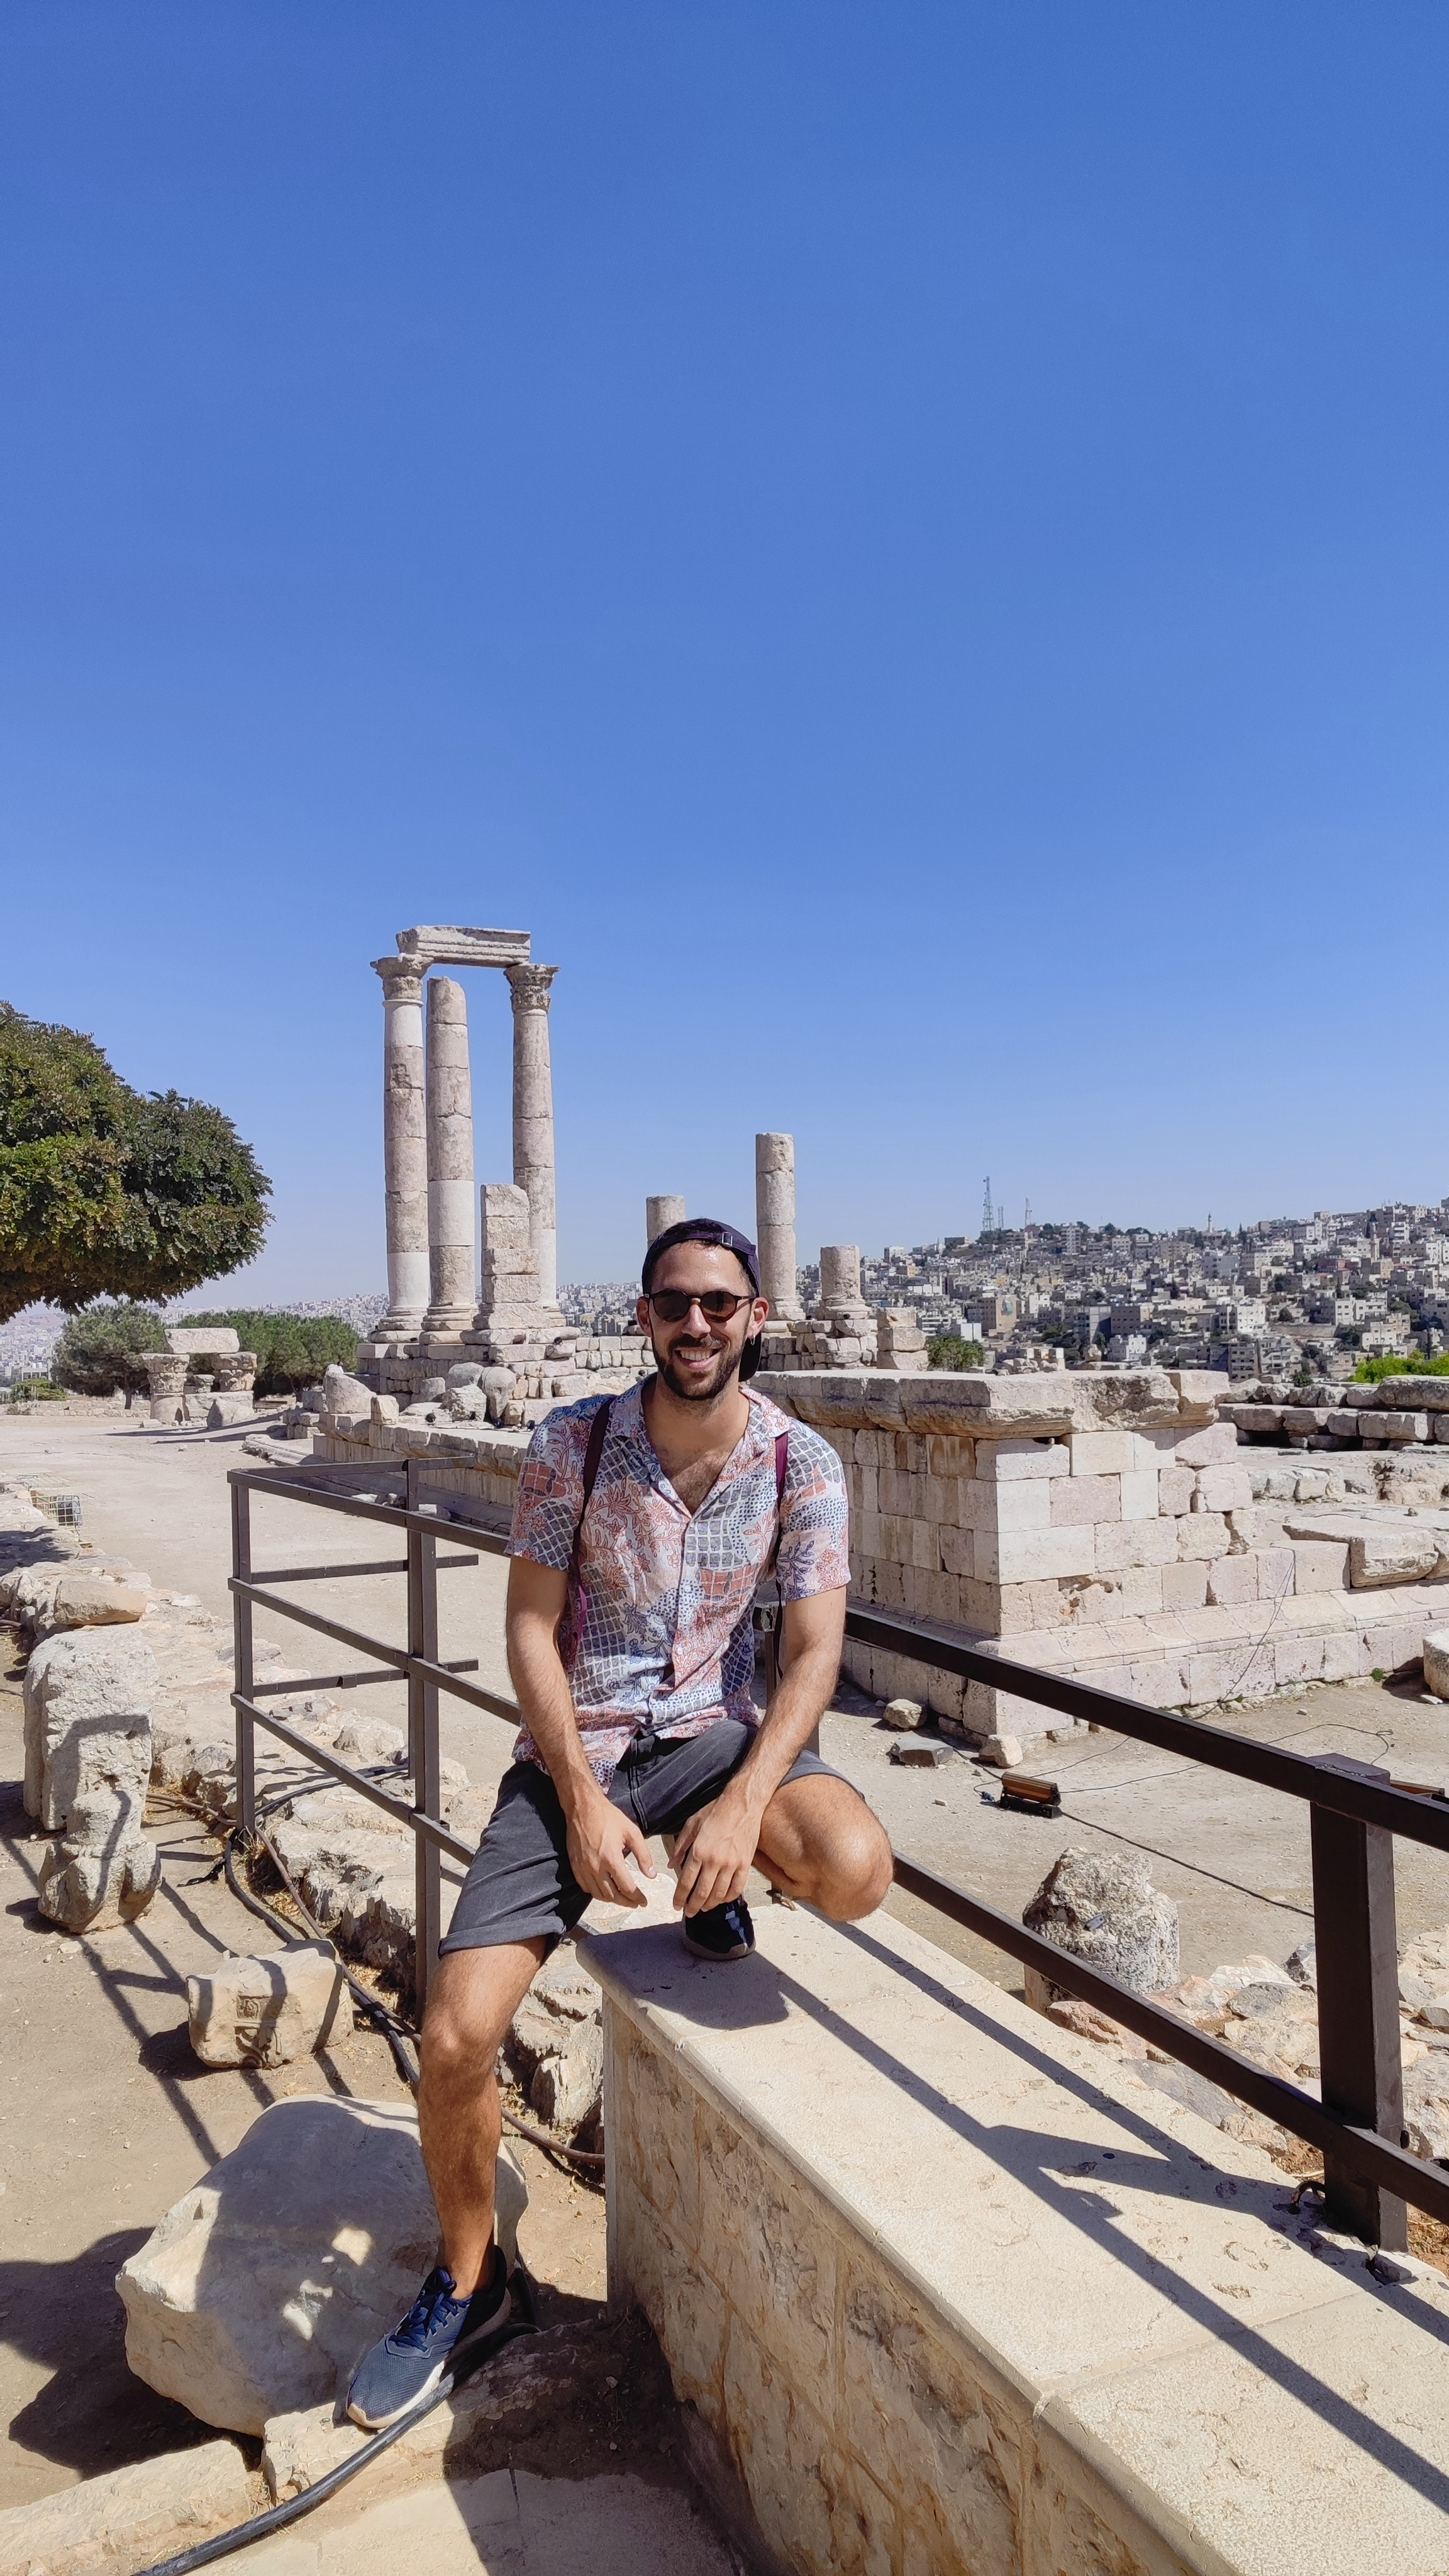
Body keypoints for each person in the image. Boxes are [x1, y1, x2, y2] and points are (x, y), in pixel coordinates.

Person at [347, 1215, 893, 2429]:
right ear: (641, 1316)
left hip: (713, 1743)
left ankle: (725, 1881)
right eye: (672, 1304)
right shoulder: (573, 1443)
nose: (695, 1324)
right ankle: (471, 2278)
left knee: (855, 1870)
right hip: (575, 1754)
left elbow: (813, 1650)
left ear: (756, 1317)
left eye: (718, 1303)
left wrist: (747, 1798)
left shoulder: (804, 1464)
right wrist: (583, 1797)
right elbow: (531, 1628)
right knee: (453, 2038)